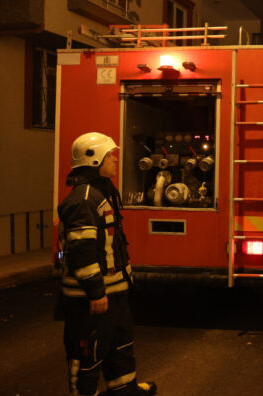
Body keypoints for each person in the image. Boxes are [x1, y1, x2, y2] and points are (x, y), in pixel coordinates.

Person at [57, 132, 157, 396]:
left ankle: (126, 390)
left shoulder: (100, 193)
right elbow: (82, 251)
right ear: (94, 160)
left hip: (113, 293)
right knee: (87, 356)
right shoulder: (83, 199)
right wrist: (95, 292)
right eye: (109, 155)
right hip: (91, 300)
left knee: (119, 348)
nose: (114, 160)